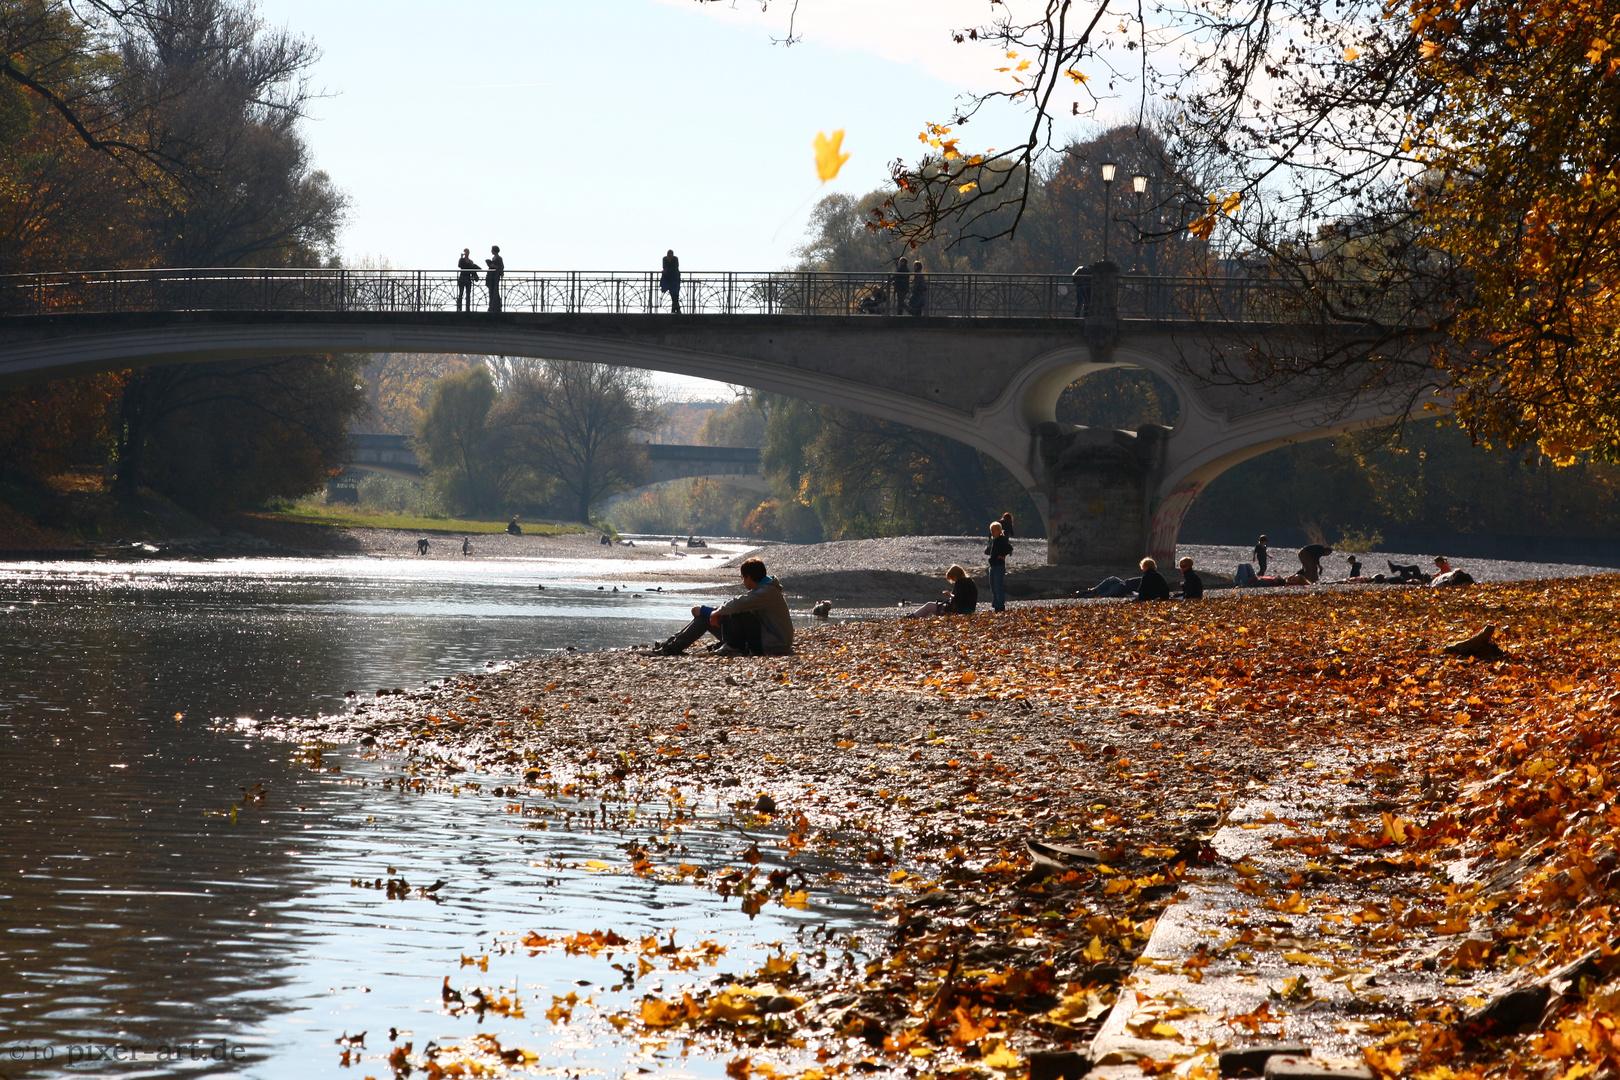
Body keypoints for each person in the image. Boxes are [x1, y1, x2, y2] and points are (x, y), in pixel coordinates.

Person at [649, 559, 794, 656]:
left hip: (774, 643)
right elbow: (737, 604)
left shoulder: (767, 592)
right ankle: (670, 646)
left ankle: (732, 648)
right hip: (758, 638)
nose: (743, 581)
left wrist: (710, 611)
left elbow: (738, 604)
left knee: (733, 610)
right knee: (705, 618)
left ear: (749, 576)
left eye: (743, 577)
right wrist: (710, 613)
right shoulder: (761, 591)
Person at [908, 565, 978, 618]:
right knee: (933, 609)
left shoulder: (960, 582)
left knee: (929, 605)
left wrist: (949, 595)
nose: (953, 581)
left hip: (961, 610)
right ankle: (914, 616)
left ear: (955, 575)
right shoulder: (970, 581)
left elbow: (958, 599)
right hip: (970, 610)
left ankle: (912, 616)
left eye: (952, 578)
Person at [985, 520, 1012, 612]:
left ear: (999, 531)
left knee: (998, 587)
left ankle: (1000, 606)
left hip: (998, 566)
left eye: (994, 530)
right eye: (991, 531)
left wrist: (1002, 555)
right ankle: (996, 604)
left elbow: (1009, 548)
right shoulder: (994, 540)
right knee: (993, 587)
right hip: (993, 566)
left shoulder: (1002, 539)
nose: (992, 532)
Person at [660, 249, 682, 313]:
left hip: (674, 279)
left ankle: (675, 309)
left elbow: (675, 267)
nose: (670, 257)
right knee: (673, 295)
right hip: (669, 279)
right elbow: (664, 267)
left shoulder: (675, 259)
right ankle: (676, 309)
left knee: (675, 295)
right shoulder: (664, 259)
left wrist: (667, 269)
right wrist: (667, 269)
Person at [485, 245, 505, 312]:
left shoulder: (499, 258)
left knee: (494, 291)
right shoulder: (494, 258)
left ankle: (495, 306)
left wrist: (493, 266)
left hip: (495, 276)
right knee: (492, 291)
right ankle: (493, 306)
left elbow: (500, 267)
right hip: (492, 276)